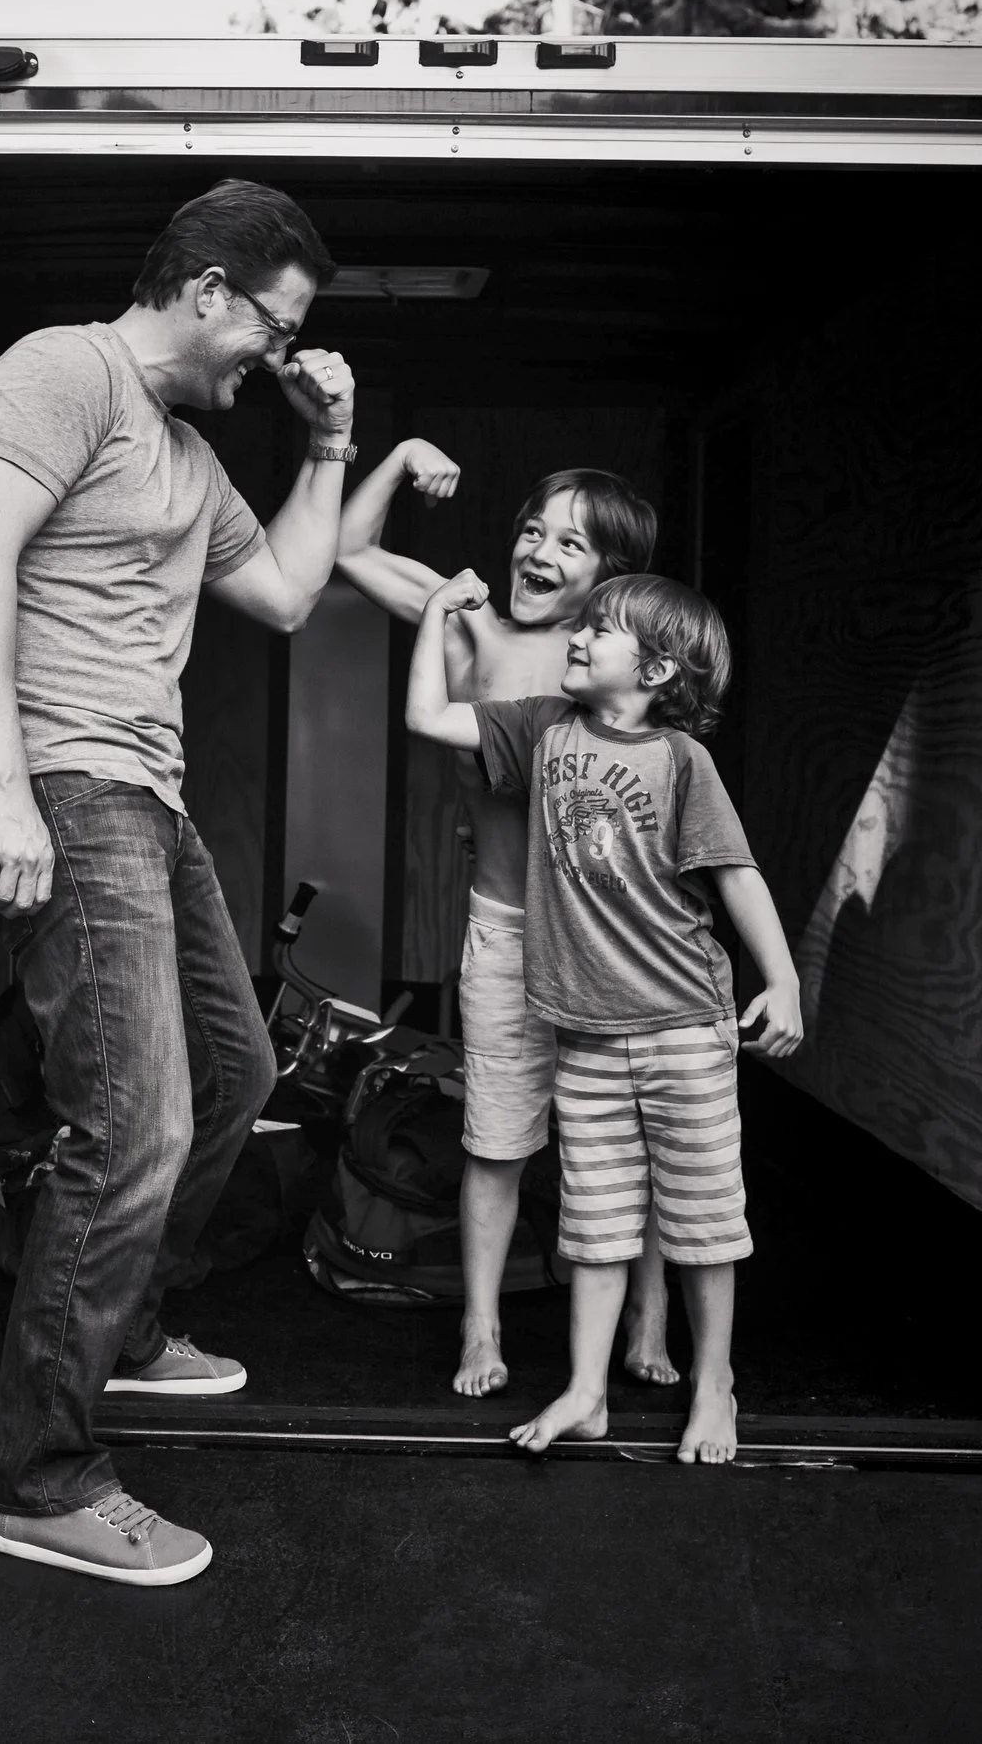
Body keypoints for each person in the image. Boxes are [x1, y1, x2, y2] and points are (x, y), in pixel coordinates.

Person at [0, 180, 359, 1585]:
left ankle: (135, 1321)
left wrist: (334, 443)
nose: (275, 360)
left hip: (146, 799)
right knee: (134, 1115)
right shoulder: (69, 373)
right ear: (213, 291)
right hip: (60, 776)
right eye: (277, 330)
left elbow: (289, 593)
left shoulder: (184, 450)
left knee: (235, 1073)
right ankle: (39, 1476)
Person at [404, 570, 804, 1464]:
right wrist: (434, 616)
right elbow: (430, 719)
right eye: (582, 624)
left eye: (602, 630)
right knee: (596, 1221)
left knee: (701, 1220)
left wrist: (783, 981)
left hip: (681, 1025)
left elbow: (737, 875)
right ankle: (586, 1392)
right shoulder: (541, 727)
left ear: (657, 670)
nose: (578, 637)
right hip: (582, 1033)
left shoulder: (682, 764)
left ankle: (714, 1384)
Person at [333, 461, 669, 1398]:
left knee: (626, 1135)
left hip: (611, 933)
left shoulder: (623, 656)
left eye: (571, 541)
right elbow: (344, 548)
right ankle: (481, 1330)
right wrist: (397, 457)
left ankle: (648, 1307)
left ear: (611, 578)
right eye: (533, 528)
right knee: (497, 1135)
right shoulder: (467, 621)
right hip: (506, 924)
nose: (539, 549)